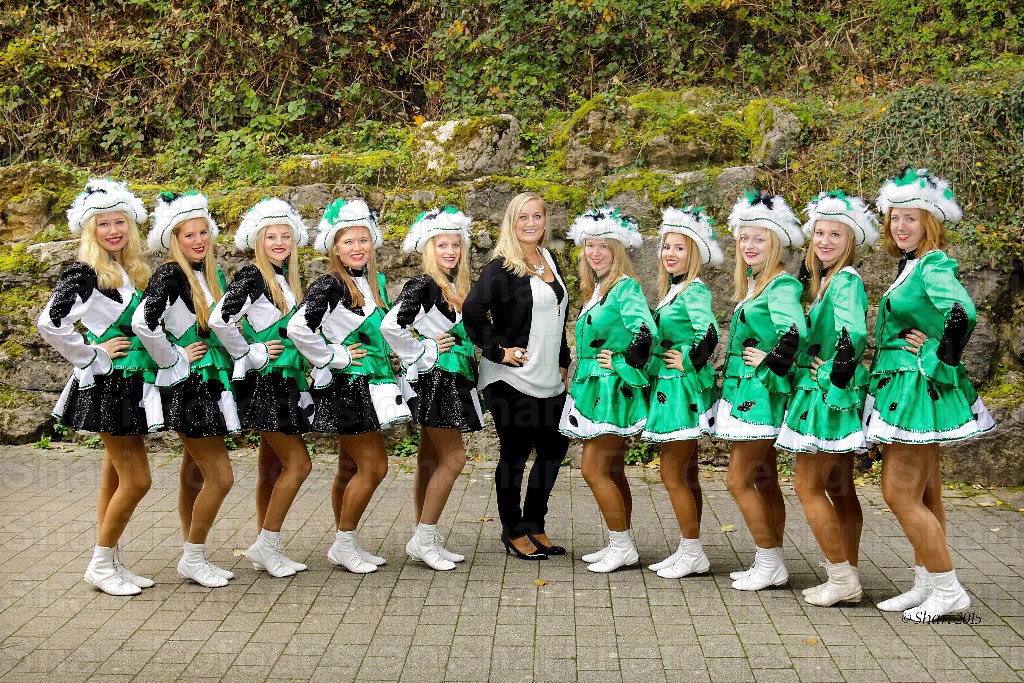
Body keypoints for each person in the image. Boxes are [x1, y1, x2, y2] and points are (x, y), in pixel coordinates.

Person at [865, 168, 995, 622]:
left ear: (930, 223)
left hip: (917, 389)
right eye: (895, 218)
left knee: (898, 493)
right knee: (925, 492)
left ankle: (949, 589)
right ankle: (926, 583)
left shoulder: (933, 263)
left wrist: (937, 355)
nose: (900, 226)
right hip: (904, 386)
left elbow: (962, 311)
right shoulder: (913, 264)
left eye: (911, 219)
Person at [37, 179, 159, 596]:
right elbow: (49, 323)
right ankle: (100, 564)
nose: (113, 230)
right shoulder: (85, 274)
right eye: (103, 224)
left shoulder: (130, 271)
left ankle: (111, 560)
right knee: (138, 480)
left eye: (120, 222)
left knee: (115, 476)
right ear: (91, 230)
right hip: (109, 386)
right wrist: (91, 353)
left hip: (132, 383)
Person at [288, 198, 411, 573]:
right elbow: (298, 328)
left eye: (363, 240)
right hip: (348, 387)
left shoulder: (376, 283)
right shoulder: (330, 285)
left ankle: (346, 542)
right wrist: (333, 356)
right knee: (374, 467)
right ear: (335, 248)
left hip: (374, 384)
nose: (357, 248)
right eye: (348, 241)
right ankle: (343, 544)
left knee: (349, 467)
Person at [132, 191, 240, 588]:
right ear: (173, 239)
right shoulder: (170, 275)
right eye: (188, 235)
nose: (198, 240)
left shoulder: (213, 275)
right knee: (221, 477)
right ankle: (193, 557)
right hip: (189, 386)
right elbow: (143, 323)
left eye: (203, 232)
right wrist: (174, 356)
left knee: (193, 471)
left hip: (212, 380)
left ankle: (191, 552)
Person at [777, 191, 878, 606]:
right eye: (819, 233)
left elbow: (854, 333)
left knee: (806, 485)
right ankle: (847, 573)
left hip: (827, 393)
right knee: (839, 485)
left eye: (836, 234)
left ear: (851, 240)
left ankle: (841, 577)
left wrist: (833, 371)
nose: (825, 241)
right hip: (834, 390)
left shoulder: (846, 280)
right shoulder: (829, 281)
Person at [463, 193, 571, 561]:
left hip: (548, 375)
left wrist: (563, 360)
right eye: (522, 217)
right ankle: (513, 530)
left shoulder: (548, 259)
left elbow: (558, 315)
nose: (530, 223)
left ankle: (534, 523)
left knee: (554, 450)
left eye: (537, 216)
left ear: (545, 221)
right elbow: (472, 310)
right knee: (515, 454)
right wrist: (498, 351)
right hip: (510, 379)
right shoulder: (502, 267)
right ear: (511, 222)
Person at [209, 198, 312, 578]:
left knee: (272, 466)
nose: (279, 242)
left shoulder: (285, 277)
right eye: (271, 236)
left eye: (286, 235)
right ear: (257, 241)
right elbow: (220, 319)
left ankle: (267, 545)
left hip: (286, 380)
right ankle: (266, 545)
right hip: (267, 382)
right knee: (299, 465)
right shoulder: (253, 277)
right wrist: (249, 352)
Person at [381, 207, 482, 570]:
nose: (450, 251)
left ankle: (425, 534)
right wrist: (422, 349)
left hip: (452, 377)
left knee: (430, 457)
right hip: (438, 380)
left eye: (455, 244)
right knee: (455, 459)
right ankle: (423, 539)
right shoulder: (424, 284)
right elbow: (391, 326)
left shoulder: (456, 285)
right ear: (429, 248)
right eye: (442, 245)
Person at [715, 190, 806, 591]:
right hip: (748, 391)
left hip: (760, 395)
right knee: (765, 479)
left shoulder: (780, 284)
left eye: (759, 239)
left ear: (776, 243)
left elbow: (795, 331)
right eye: (744, 238)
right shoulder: (757, 283)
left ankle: (769, 560)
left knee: (738, 480)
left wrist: (770, 359)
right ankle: (771, 561)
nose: (749, 246)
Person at [559, 207, 658, 573]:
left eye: (604, 246)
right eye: (590, 245)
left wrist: (619, 362)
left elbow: (645, 331)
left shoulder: (625, 287)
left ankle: (621, 545)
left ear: (617, 250)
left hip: (611, 390)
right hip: (594, 387)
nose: (595, 252)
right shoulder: (598, 287)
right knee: (612, 469)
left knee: (593, 469)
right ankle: (621, 542)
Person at [641, 206, 723, 579]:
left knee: (672, 473)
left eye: (680, 248)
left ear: (695, 254)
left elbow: (710, 333)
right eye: (666, 247)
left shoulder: (695, 289)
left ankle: (692, 552)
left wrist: (687, 360)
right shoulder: (674, 289)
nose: (670, 254)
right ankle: (689, 548)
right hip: (670, 387)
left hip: (679, 390)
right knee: (685, 472)